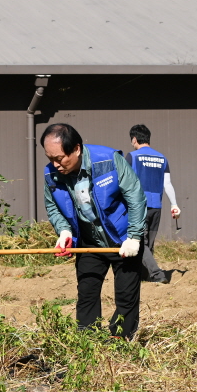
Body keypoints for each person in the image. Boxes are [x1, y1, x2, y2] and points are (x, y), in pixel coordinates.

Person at [42, 123, 147, 339]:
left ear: (77, 149)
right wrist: (64, 231)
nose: (55, 164)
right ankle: (87, 343)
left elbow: (135, 196)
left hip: (122, 238)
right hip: (89, 242)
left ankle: (120, 342)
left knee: (126, 296)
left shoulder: (108, 160)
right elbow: (52, 206)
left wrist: (134, 236)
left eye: (60, 158)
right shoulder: (51, 174)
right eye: (50, 158)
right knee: (87, 293)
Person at [127, 125, 180, 284]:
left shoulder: (132, 156)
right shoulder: (162, 158)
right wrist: (174, 204)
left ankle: (157, 275)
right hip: (156, 205)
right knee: (148, 243)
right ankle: (144, 276)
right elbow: (168, 184)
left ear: (134, 139)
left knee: (140, 243)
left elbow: (125, 181)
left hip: (138, 205)